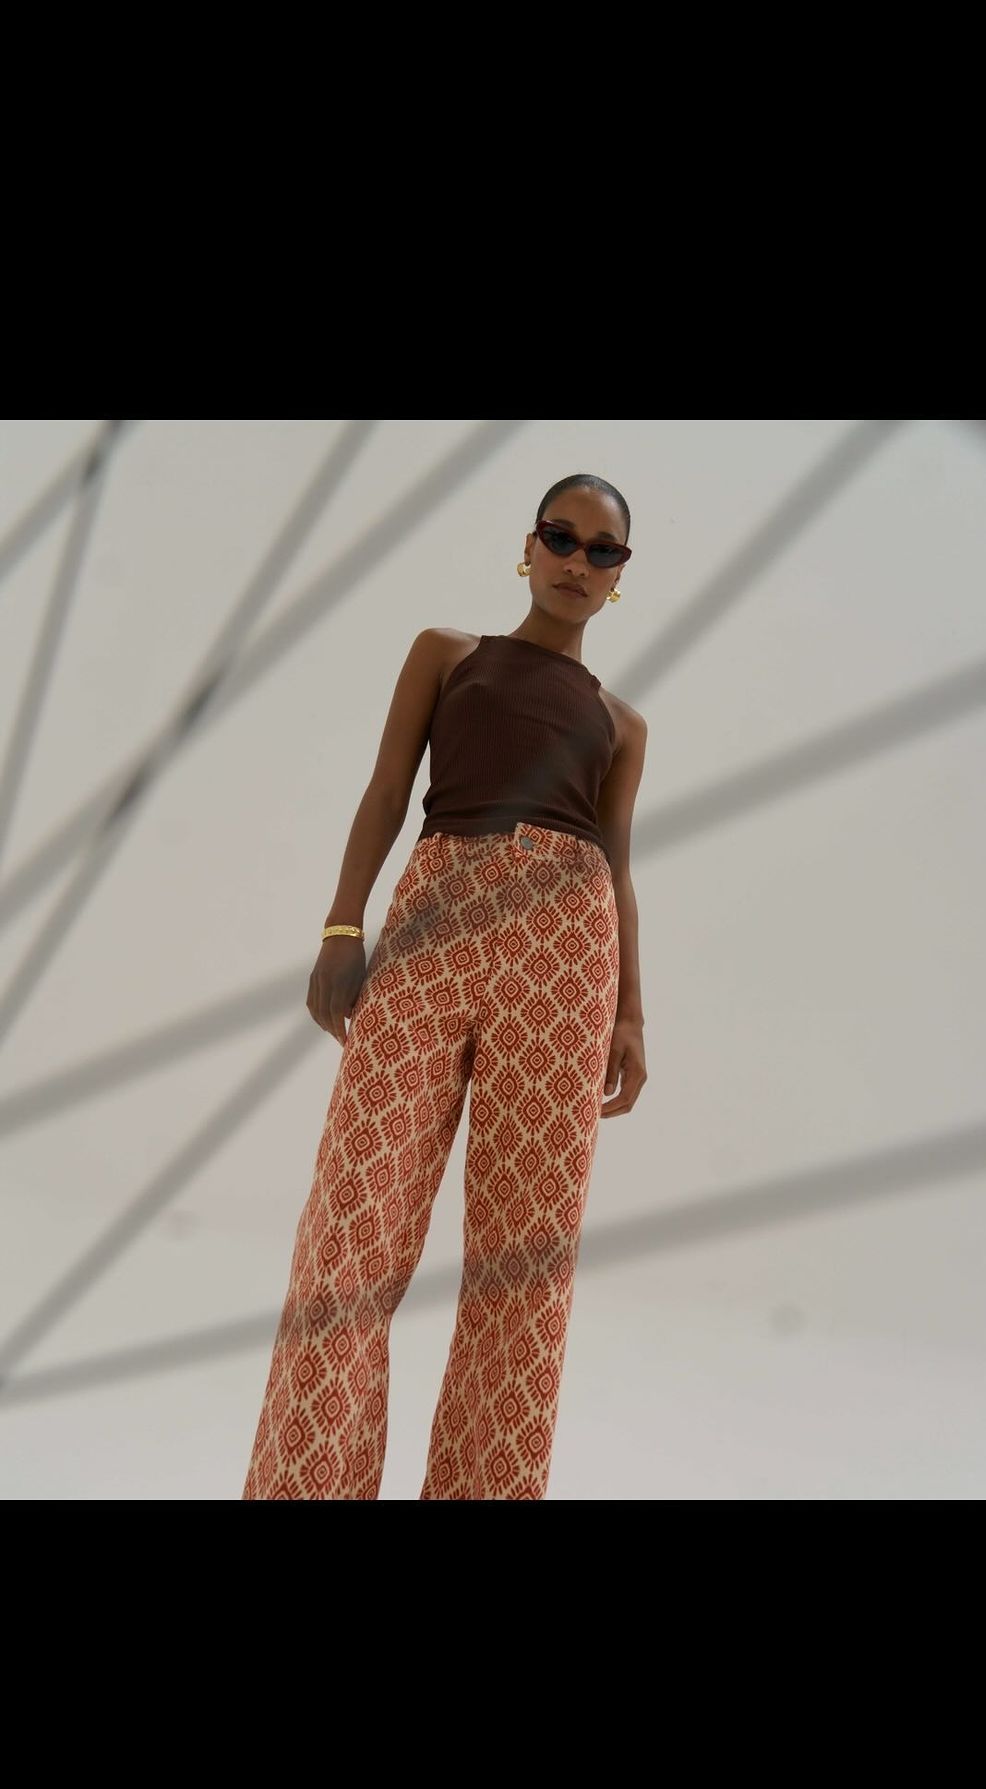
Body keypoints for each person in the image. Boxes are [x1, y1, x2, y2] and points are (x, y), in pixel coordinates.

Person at [241, 473, 649, 1500]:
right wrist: (343, 925)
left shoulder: (622, 724)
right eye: (562, 536)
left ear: (620, 577)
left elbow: (618, 867)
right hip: (433, 926)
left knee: (523, 1262)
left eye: (603, 550)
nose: (578, 561)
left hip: (567, 952)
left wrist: (631, 1012)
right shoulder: (447, 655)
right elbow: (388, 790)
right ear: (530, 545)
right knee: (351, 1230)